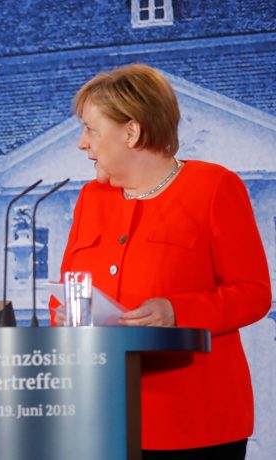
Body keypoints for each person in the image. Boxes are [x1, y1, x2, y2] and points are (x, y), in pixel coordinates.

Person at [52, 64, 271, 459]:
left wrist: (176, 312)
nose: (82, 144)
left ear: (131, 132)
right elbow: (69, 291)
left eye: (91, 130)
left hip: (196, 424)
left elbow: (253, 294)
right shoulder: (90, 200)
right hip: (104, 419)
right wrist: (66, 314)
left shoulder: (214, 187)